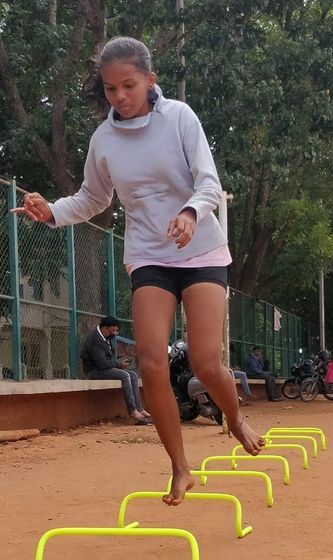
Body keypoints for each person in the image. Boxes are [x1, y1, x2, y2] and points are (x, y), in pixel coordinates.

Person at [11, 37, 264, 506]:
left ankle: (236, 418)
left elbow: (209, 183)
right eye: (111, 89)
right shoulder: (104, 140)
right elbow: (93, 198)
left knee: (206, 362)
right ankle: (180, 467)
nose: (120, 96)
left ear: (150, 79)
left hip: (201, 251)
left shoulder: (179, 118)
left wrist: (189, 213)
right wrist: (52, 212)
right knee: (150, 362)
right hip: (149, 255)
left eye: (128, 85)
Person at [80, 316, 153, 424]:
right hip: (94, 371)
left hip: (103, 368)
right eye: (113, 331)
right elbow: (102, 364)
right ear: (105, 328)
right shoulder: (95, 340)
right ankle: (132, 410)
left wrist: (118, 363)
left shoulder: (105, 337)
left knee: (133, 375)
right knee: (124, 375)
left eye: (116, 331)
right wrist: (119, 365)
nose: (115, 334)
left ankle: (139, 408)